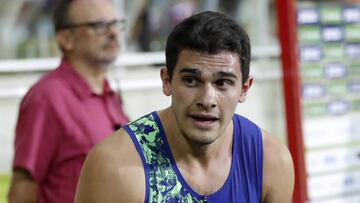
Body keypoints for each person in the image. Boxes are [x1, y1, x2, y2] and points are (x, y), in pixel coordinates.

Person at [75, 11, 294, 203]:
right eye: (191, 80)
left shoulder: (270, 161)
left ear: (244, 89)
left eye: (222, 83)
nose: (207, 99)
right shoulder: (115, 167)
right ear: (167, 81)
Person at [7, 0, 129, 202]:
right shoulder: (46, 98)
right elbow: (23, 187)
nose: (114, 33)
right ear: (66, 39)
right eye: (99, 26)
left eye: (116, 24)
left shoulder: (108, 92)